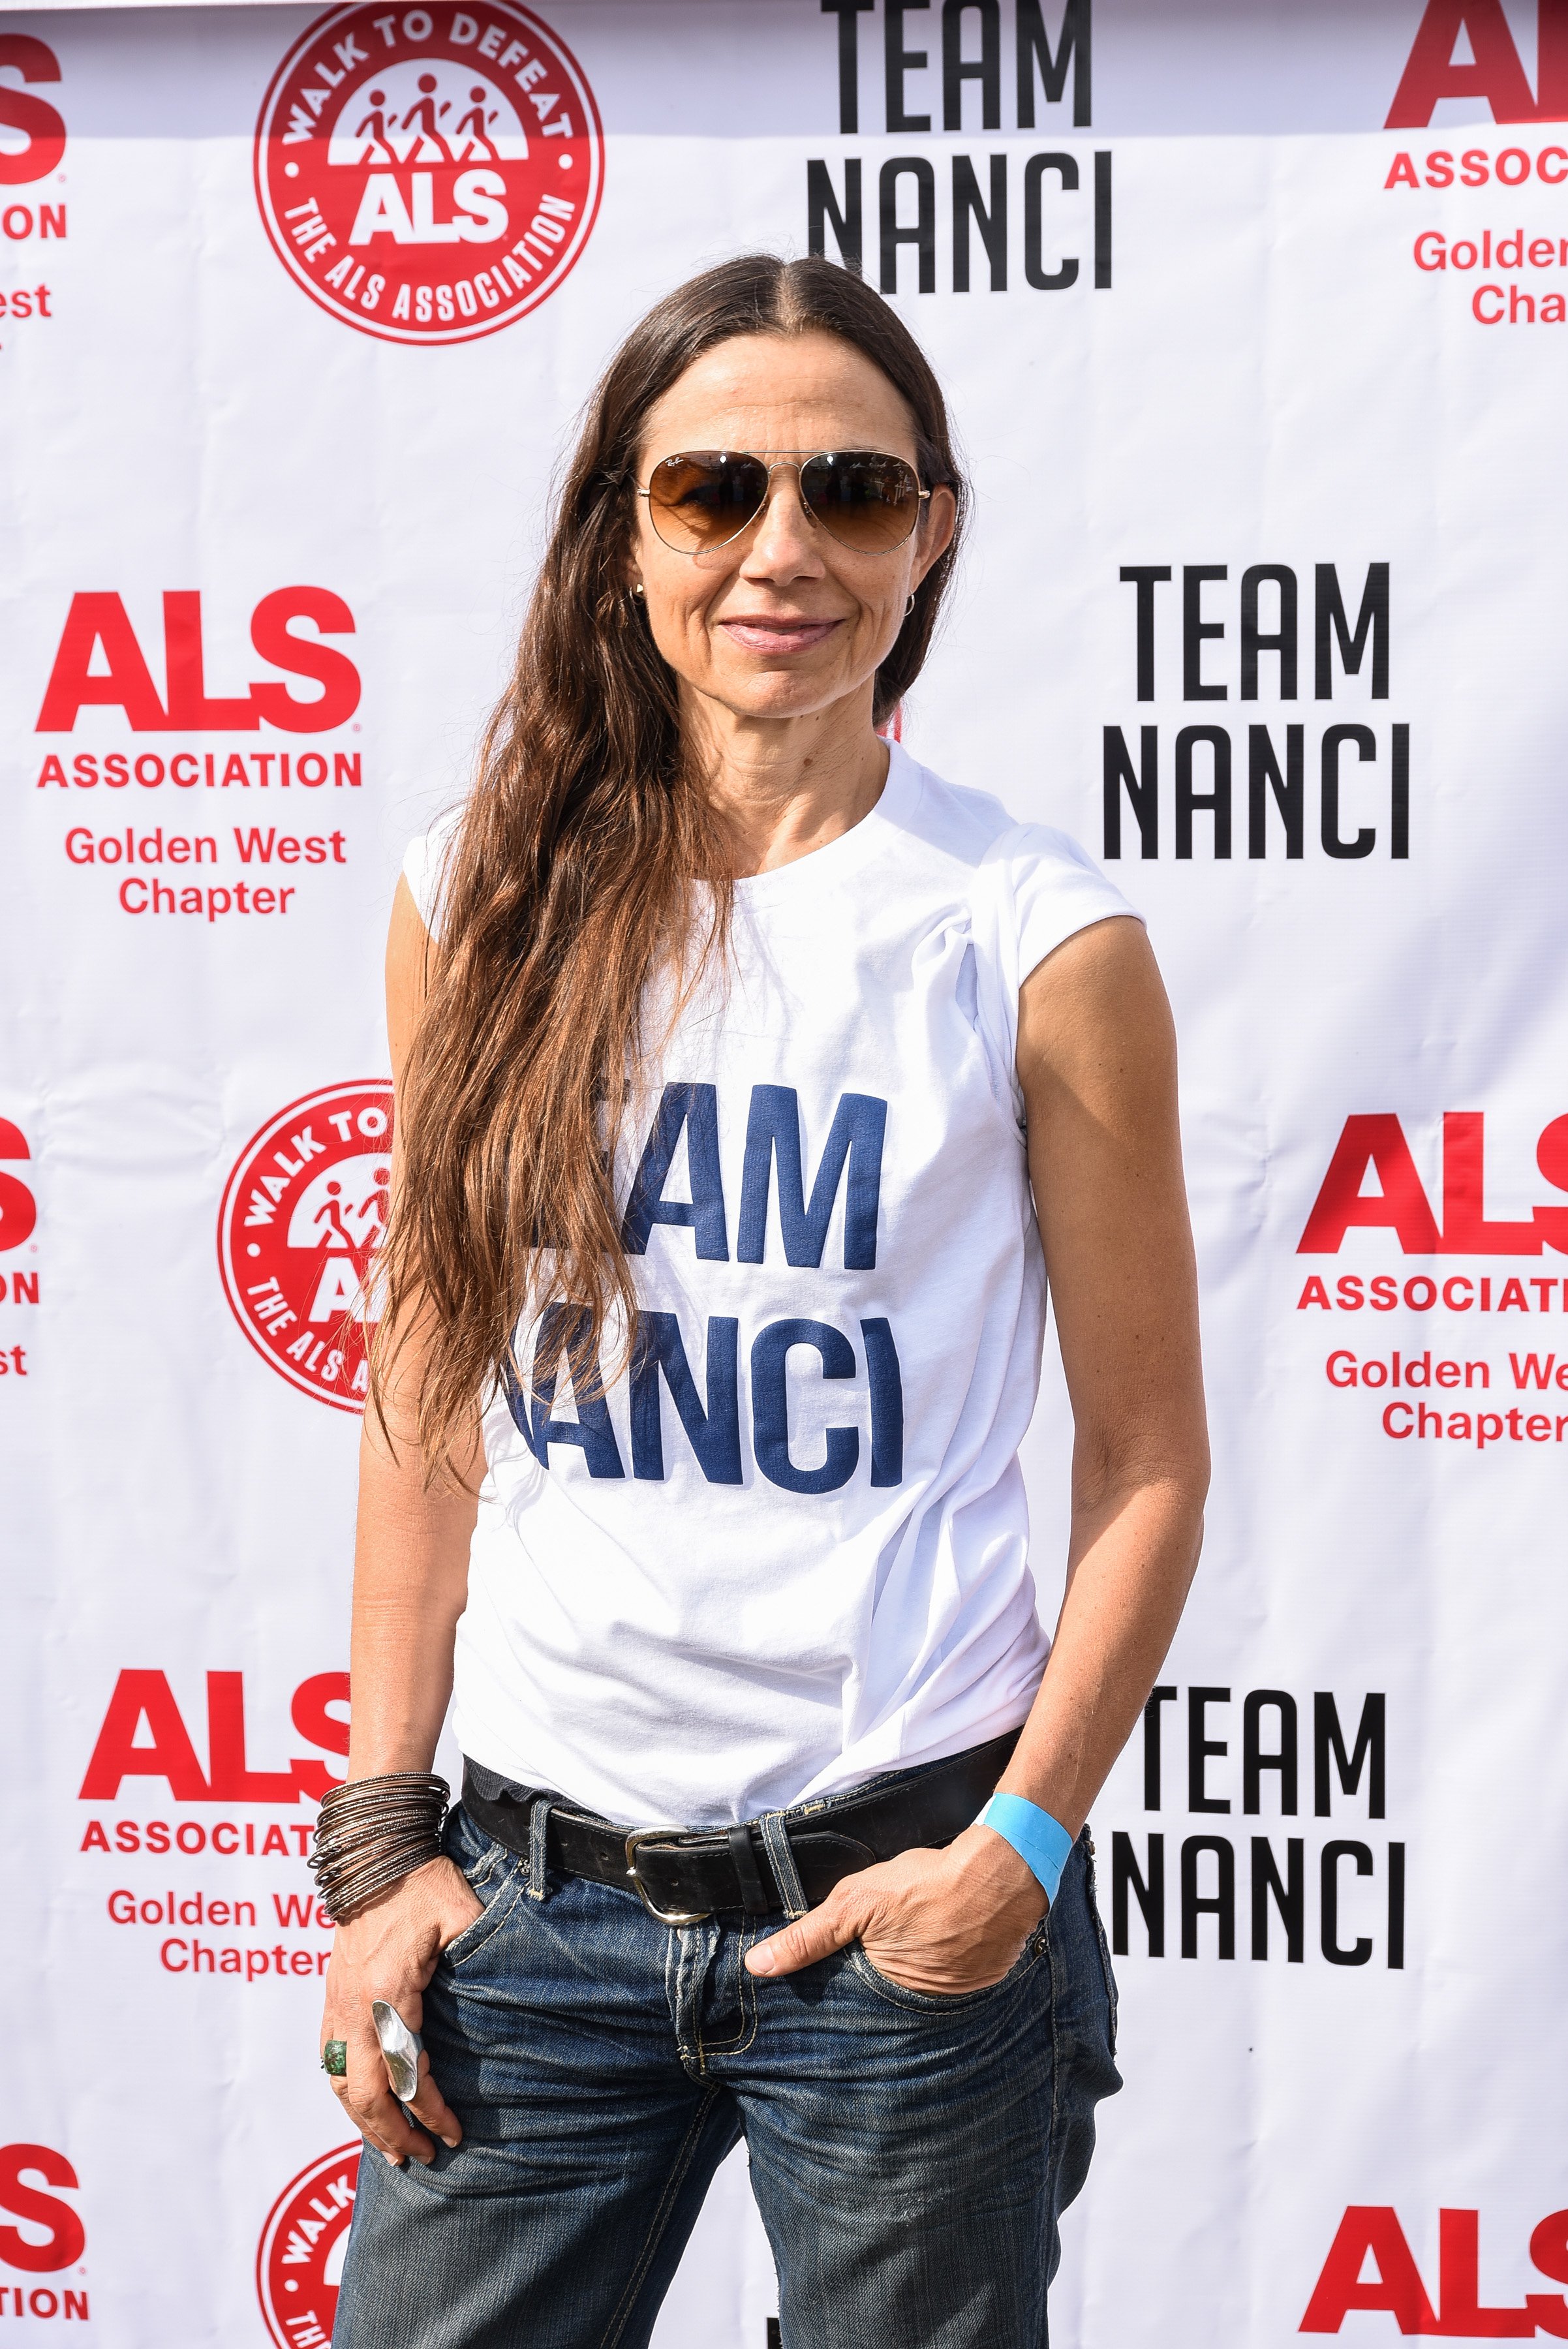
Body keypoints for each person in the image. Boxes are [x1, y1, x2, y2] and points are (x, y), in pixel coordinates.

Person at [320, 253, 1208, 2349]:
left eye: (854, 492)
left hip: (901, 1916)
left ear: (934, 533)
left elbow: (1150, 1455)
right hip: (525, 1918)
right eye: (713, 490)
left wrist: (1017, 1852)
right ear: (624, 534)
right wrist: (381, 1833)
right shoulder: (481, 898)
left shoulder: (1033, 939)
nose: (782, 550)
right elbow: (427, 1379)